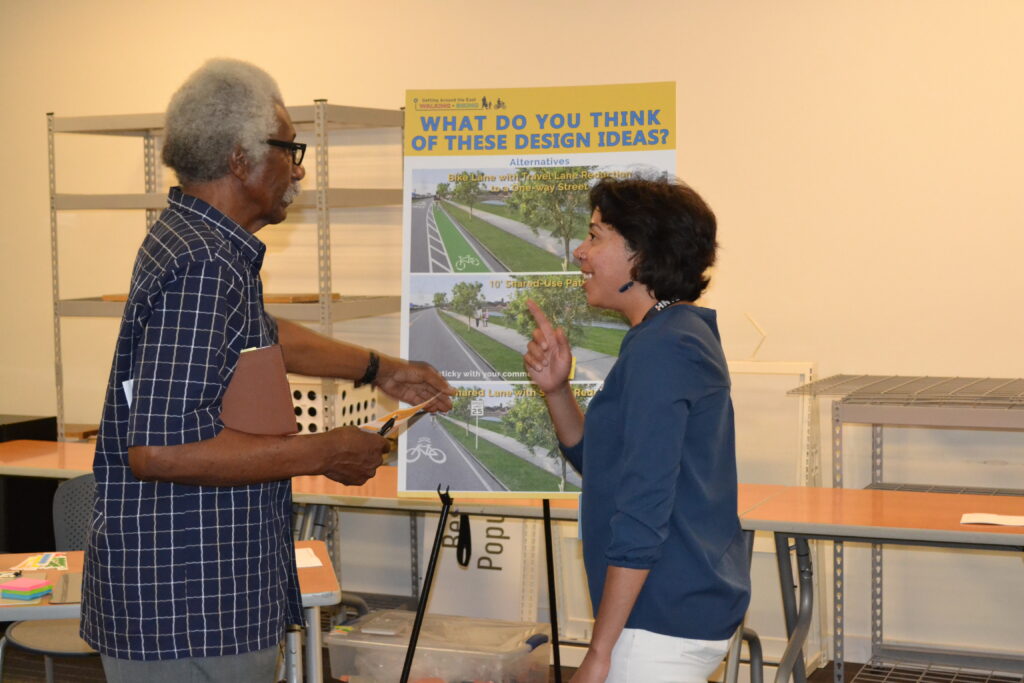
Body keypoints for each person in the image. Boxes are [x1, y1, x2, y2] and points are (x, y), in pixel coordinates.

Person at [80, 58, 454, 682]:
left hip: (194, 603)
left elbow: (260, 338)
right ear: (238, 159)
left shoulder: (202, 245)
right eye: (288, 148)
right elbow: (160, 452)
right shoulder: (203, 264)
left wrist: (380, 369)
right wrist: (323, 451)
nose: (299, 167)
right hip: (189, 610)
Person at [523, 176, 750, 682]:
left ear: (642, 255)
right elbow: (604, 464)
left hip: (657, 622)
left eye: (597, 236)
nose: (580, 252)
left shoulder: (663, 347)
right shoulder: (670, 335)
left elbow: (644, 505)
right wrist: (557, 390)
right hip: (666, 614)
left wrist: (600, 653)